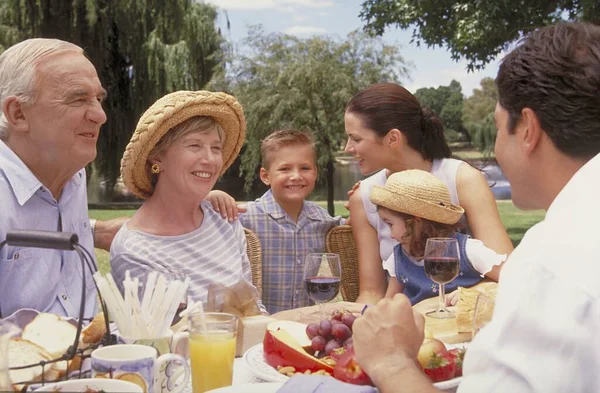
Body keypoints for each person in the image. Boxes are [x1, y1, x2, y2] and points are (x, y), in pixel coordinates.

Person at [352, 22, 600, 393]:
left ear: (528, 130)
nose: (495, 149)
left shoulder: (551, 265)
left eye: (498, 128)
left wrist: (389, 361)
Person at [344, 82, 513, 305]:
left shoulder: (462, 179)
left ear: (393, 139)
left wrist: (468, 296)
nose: (347, 148)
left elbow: (508, 272)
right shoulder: (363, 197)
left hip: (464, 320)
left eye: (356, 139)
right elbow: (372, 292)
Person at [110, 90, 264, 311]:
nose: (210, 159)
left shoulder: (224, 219)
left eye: (216, 148)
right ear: (157, 157)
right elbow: (166, 339)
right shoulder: (135, 251)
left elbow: (252, 306)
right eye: (195, 146)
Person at [0, 38, 105, 319]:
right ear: (18, 113)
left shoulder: (73, 175)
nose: (100, 115)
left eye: (98, 99)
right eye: (79, 98)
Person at [237, 129, 344, 314]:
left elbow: (349, 233)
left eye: (305, 168)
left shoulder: (323, 221)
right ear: (265, 176)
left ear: (315, 173)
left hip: (302, 326)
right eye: (285, 169)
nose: (296, 176)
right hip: (260, 325)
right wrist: (213, 197)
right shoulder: (245, 218)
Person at [370, 170, 505, 304]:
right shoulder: (399, 257)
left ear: (415, 222)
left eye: (390, 224)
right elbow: (388, 303)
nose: (390, 234)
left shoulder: (467, 250)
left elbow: (511, 279)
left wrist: (475, 292)